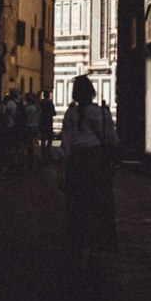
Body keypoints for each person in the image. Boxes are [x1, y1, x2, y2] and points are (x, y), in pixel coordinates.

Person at [59, 74, 119, 266]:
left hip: (77, 166)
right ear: (92, 93)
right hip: (97, 165)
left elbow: (66, 146)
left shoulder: (71, 115)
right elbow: (112, 140)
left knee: (78, 208)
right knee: (98, 206)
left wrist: (61, 171)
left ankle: (81, 246)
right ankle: (94, 246)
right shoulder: (102, 113)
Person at [38, 89, 56, 164]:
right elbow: (53, 112)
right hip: (48, 122)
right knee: (50, 138)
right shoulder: (50, 103)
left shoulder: (40, 103)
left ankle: (43, 154)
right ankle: (48, 152)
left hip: (42, 122)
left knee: (43, 139)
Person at [23, 92, 39, 170]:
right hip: (34, 128)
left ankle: (25, 165)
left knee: (25, 146)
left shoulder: (25, 108)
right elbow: (39, 118)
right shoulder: (36, 108)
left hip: (27, 127)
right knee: (34, 147)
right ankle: (33, 165)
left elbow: (23, 118)